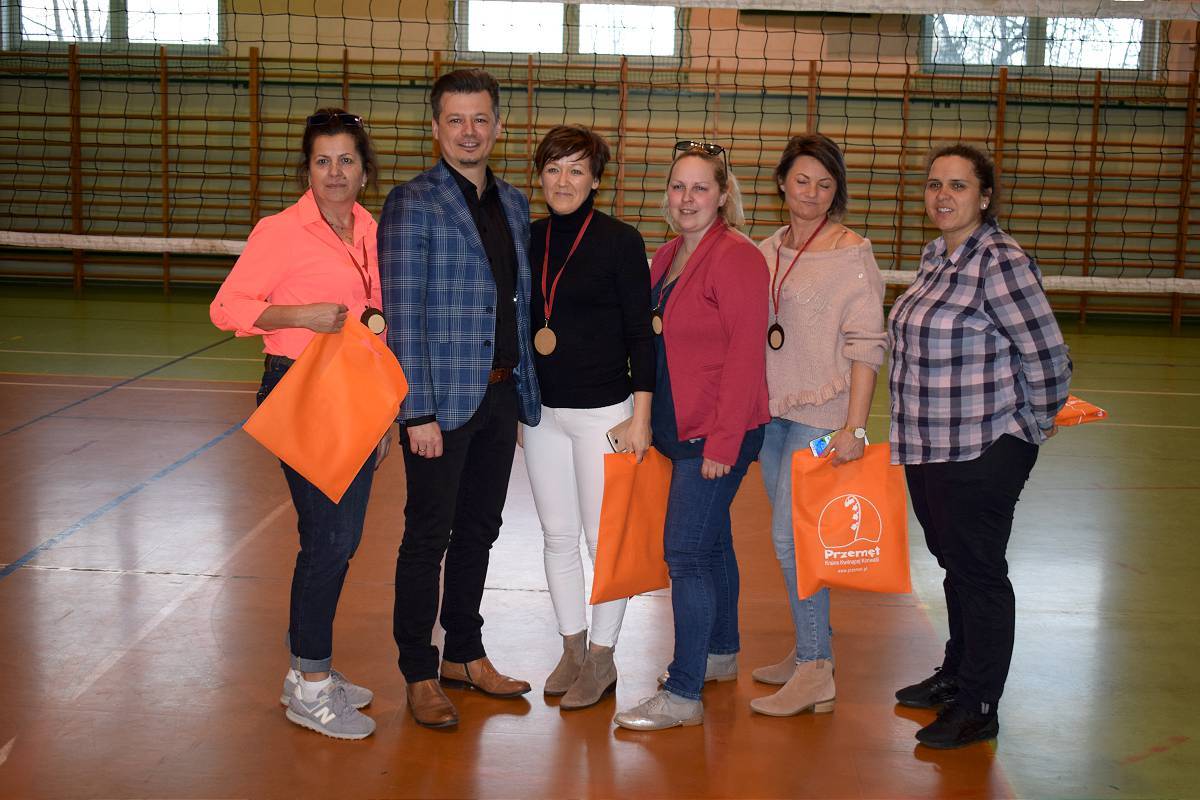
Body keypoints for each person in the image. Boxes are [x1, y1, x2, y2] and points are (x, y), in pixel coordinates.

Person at [889, 143, 1071, 749]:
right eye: (934, 184)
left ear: (985, 197)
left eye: (959, 185)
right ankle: (957, 674)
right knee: (954, 564)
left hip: (982, 446)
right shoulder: (936, 256)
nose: (943, 195)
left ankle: (979, 704)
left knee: (979, 571)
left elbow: (1048, 355)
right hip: (929, 443)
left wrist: (1031, 424)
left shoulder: (1000, 261)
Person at [210, 108, 384, 740]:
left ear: (364, 170)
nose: (334, 172)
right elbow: (226, 307)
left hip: (357, 393)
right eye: (322, 160)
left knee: (342, 538)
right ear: (307, 169)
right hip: (300, 389)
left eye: (346, 160)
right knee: (329, 541)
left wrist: (383, 413)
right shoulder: (280, 231)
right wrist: (299, 314)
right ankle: (311, 687)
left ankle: (305, 672)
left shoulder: (371, 229)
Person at [379, 69, 541, 729]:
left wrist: (525, 391)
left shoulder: (514, 202)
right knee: (428, 536)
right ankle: (419, 669)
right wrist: (415, 410)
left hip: (499, 397)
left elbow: (518, 303)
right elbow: (402, 313)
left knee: (480, 530)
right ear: (436, 127)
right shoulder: (412, 202)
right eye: (456, 120)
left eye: (480, 119)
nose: (469, 132)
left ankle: (464, 654)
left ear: (498, 126)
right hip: (438, 406)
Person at [613, 141, 769, 732]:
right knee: (712, 543)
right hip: (678, 429)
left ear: (723, 195)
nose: (687, 198)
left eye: (700, 187)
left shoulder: (738, 258)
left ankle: (683, 692)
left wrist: (723, 446)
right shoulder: (668, 255)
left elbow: (745, 358)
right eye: (678, 186)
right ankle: (720, 653)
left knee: (685, 553)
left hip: (717, 433)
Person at [751, 133, 887, 717]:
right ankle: (813, 648)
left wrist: (854, 428)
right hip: (773, 416)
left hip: (824, 418)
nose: (811, 193)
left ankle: (815, 671)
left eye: (824, 185)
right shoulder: (765, 250)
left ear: (837, 193)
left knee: (794, 541)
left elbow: (867, 346)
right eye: (802, 180)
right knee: (791, 542)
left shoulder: (853, 256)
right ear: (782, 182)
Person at [520, 125, 654, 710]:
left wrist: (641, 415)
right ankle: (572, 647)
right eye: (553, 168)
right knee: (556, 536)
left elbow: (641, 336)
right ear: (540, 176)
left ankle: (603, 657)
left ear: (596, 180)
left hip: (605, 415)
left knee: (605, 542)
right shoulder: (529, 238)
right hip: (541, 415)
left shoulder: (620, 241)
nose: (563, 180)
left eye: (576, 169)